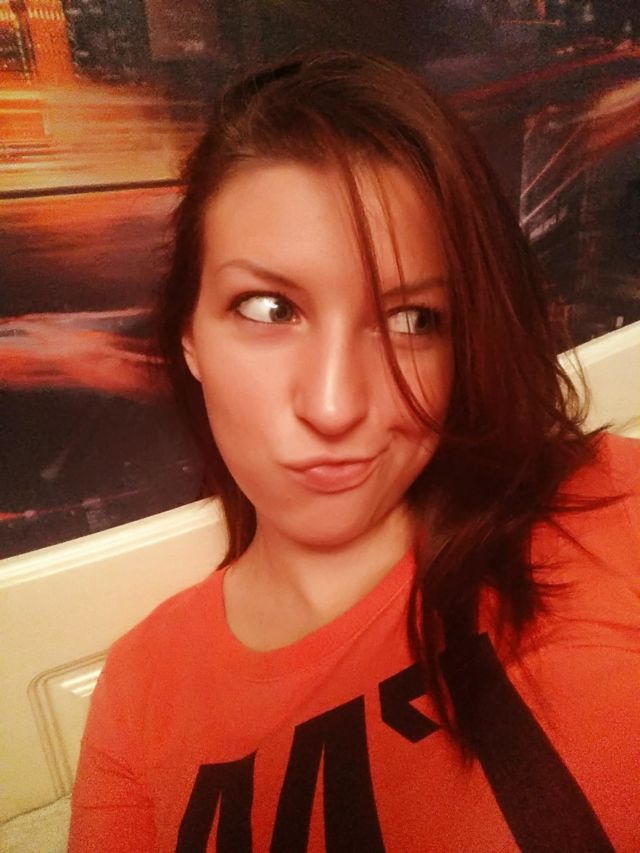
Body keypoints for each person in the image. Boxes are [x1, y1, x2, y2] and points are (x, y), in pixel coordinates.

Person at [68, 50, 640, 852]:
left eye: (412, 320)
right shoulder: (140, 695)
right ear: (189, 335)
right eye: (269, 308)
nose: (336, 406)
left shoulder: (613, 504)